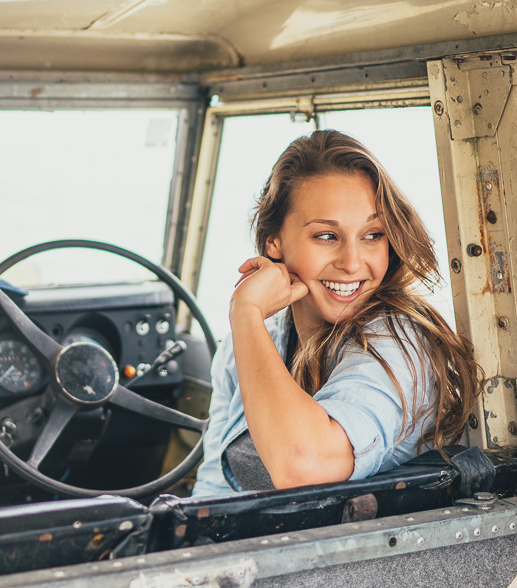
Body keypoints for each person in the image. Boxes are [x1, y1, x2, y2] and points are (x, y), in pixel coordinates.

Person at [193, 130, 481, 495]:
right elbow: (213, 489)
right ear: (274, 243)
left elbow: (304, 465)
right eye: (327, 236)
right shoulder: (249, 345)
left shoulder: (397, 344)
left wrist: (245, 310)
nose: (352, 262)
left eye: (373, 234)